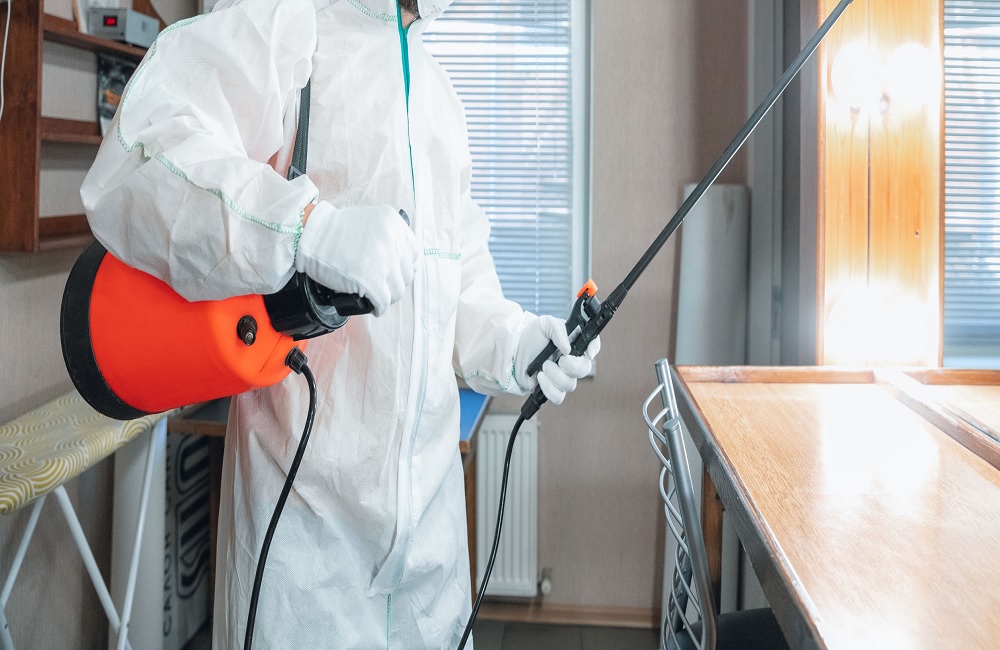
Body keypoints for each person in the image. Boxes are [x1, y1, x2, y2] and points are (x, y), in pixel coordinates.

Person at [81, 0, 600, 647]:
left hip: (432, 559)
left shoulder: (441, 97)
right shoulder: (291, 25)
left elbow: (460, 285)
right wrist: (305, 229)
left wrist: (517, 343)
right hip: (304, 546)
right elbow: (140, 156)